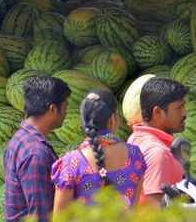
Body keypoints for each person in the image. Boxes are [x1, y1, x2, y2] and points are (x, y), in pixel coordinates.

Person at [51, 89, 147, 214]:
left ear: (83, 122)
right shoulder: (135, 156)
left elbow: (60, 217)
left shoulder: (71, 163)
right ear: (114, 118)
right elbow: (133, 209)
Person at [4, 75, 71, 222]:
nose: (66, 113)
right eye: (65, 107)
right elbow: (40, 216)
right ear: (53, 109)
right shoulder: (36, 154)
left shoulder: (18, 139)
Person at [127, 77, 188, 207]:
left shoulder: (135, 139)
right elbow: (155, 212)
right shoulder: (158, 154)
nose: (185, 113)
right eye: (179, 107)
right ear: (158, 112)